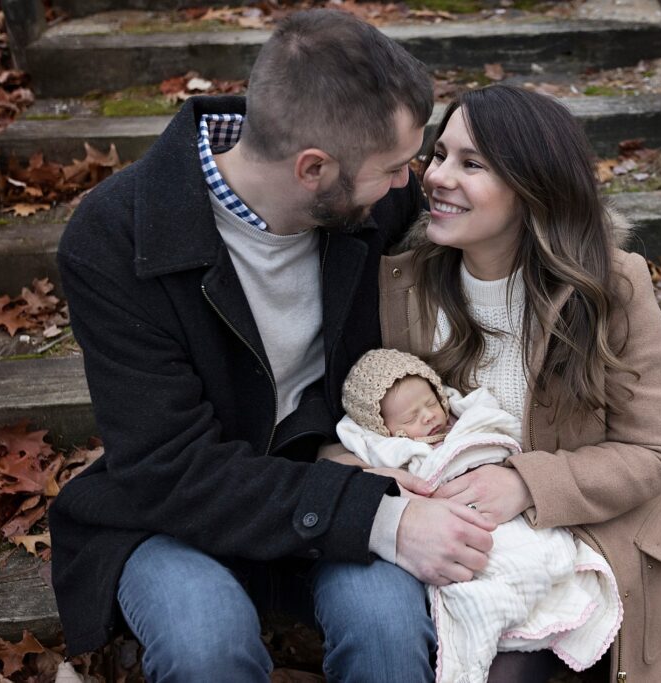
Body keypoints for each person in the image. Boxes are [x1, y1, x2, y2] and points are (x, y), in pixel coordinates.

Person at [49, 10, 498, 682]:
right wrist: (380, 517)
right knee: (206, 642)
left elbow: (508, 194)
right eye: (396, 168)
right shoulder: (115, 238)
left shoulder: (360, 193)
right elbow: (169, 469)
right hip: (174, 514)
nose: (414, 184)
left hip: (334, 489)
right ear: (313, 169)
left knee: (386, 628)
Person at [373, 85, 661, 681]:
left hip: (582, 535)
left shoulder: (612, 287)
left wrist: (526, 483)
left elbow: (653, 453)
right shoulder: (407, 285)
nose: (437, 176)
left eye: (471, 164)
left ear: (534, 188)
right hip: (455, 539)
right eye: (440, 154)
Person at [336, 347, 623, 683]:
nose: (428, 417)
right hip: (451, 531)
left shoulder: (470, 417)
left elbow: (499, 429)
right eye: (410, 419)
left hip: (515, 513)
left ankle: (549, 595)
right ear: (383, 429)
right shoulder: (389, 451)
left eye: (430, 403)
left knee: (545, 556)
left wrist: (524, 479)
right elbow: (351, 452)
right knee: (475, 591)